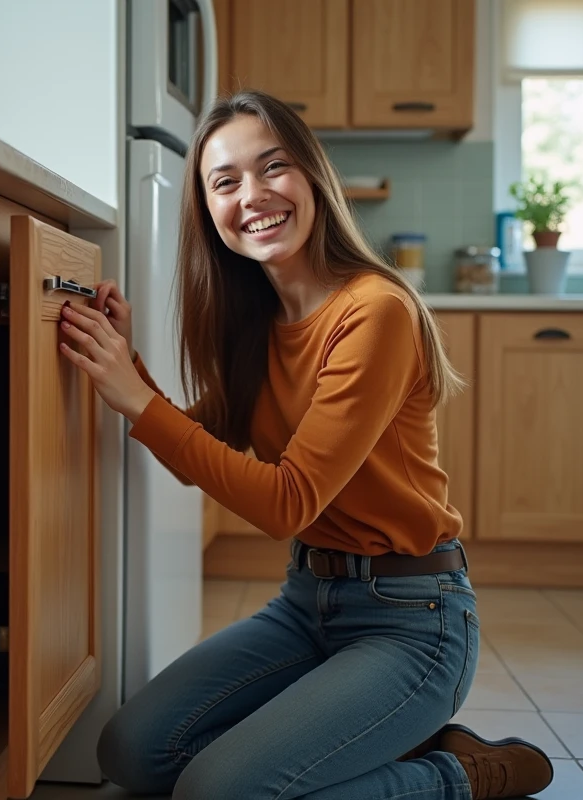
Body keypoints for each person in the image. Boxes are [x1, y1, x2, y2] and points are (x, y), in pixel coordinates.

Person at [55, 89, 554, 800]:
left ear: (312, 175)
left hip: (413, 620)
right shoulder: (259, 319)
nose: (252, 196)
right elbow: (197, 442)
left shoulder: (374, 311)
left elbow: (287, 503)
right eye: (225, 182)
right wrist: (127, 364)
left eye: (273, 167)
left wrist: (135, 396)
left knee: (216, 794)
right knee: (131, 753)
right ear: (208, 210)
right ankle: (345, 733)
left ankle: (458, 774)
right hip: (306, 603)